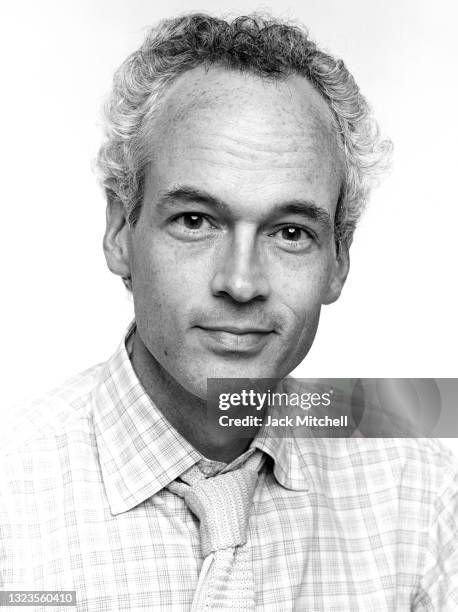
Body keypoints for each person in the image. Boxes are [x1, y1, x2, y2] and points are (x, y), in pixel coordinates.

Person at [1, 12, 457, 611]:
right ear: (119, 231)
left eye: (290, 232)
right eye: (195, 221)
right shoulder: (13, 493)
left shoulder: (419, 488)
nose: (241, 283)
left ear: (339, 259)